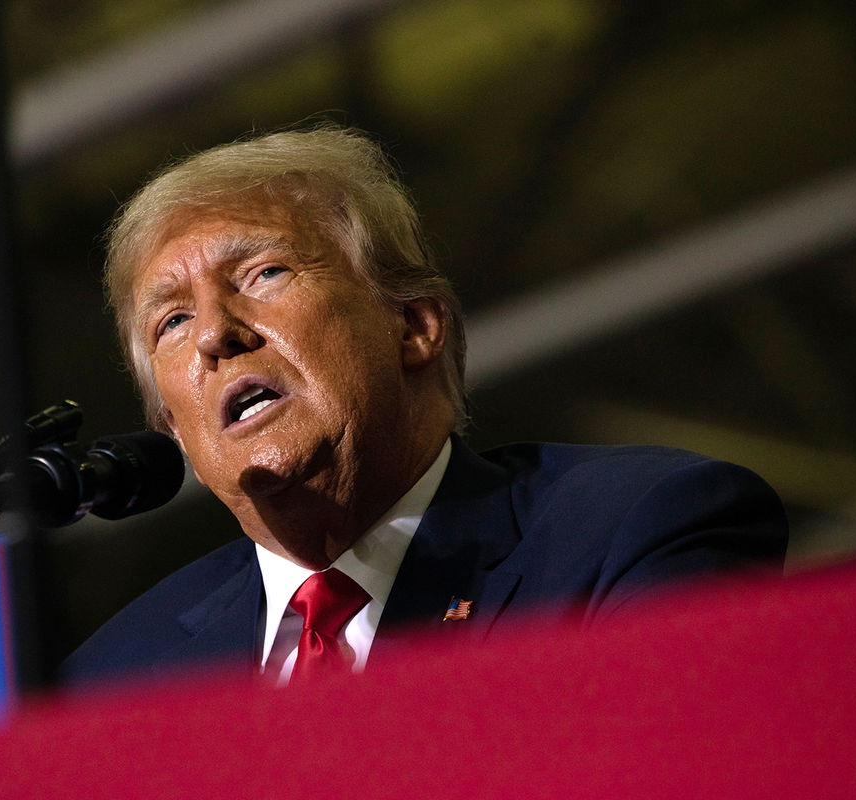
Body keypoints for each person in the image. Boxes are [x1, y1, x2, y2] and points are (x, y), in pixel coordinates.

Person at [61, 125, 787, 687]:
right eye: (172, 322)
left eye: (265, 272)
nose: (217, 333)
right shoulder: (112, 682)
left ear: (414, 326)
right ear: (173, 427)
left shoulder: (632, 529)